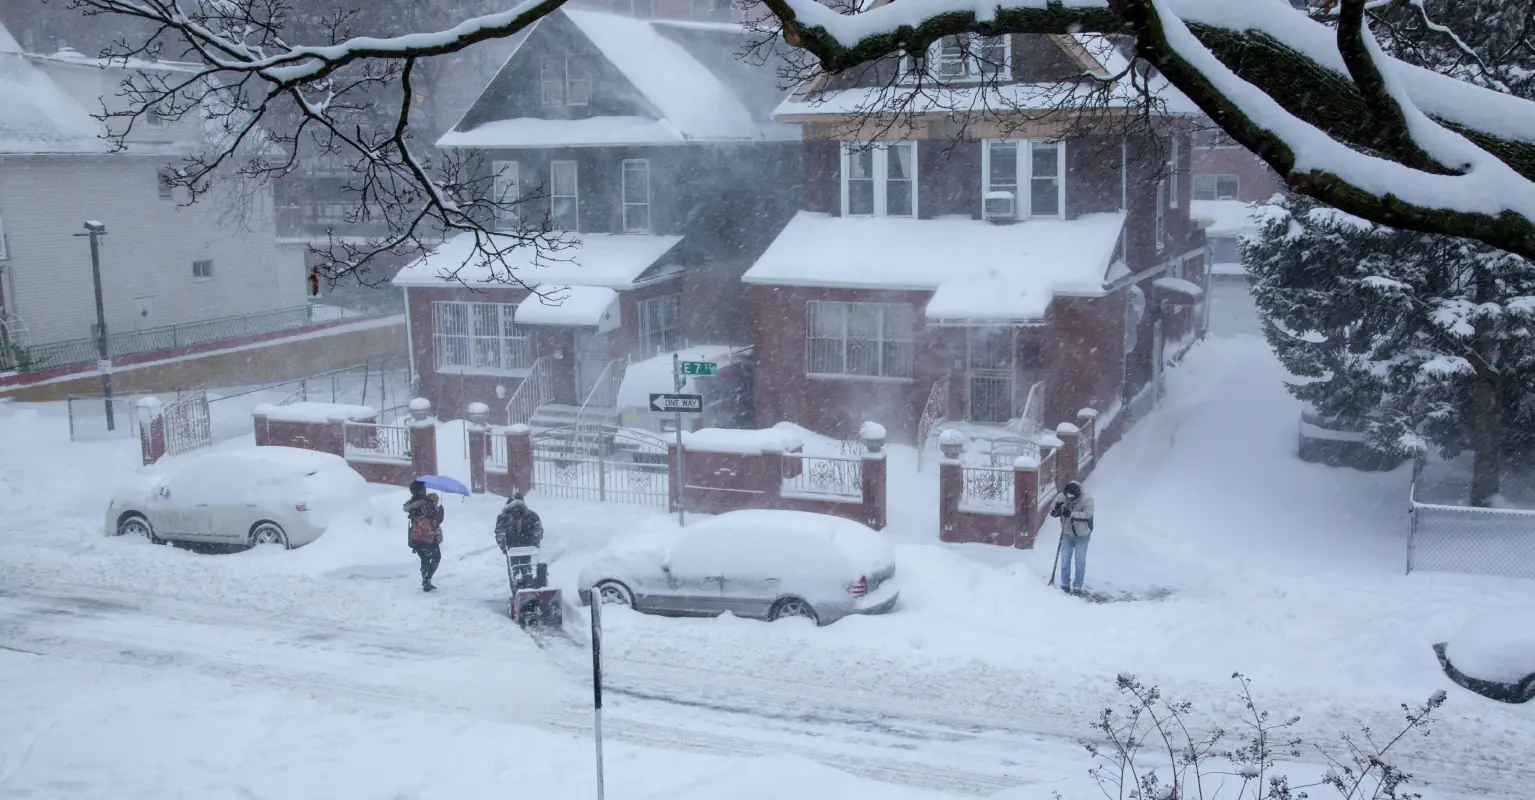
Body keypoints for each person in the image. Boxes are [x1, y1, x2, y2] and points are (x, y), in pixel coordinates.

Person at [1050, 480, 1095, 595]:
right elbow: (1053, 511)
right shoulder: (1062, 497)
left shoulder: (1088, 498)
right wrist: (1057, 510)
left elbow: (1088, 514)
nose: (1070, 500)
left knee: (1079, 561)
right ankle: (1065, 584)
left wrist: (1071, 514)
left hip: (1082, 535)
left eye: (1072, 498)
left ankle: (1077, 586)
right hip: (1067, 533)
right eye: (1068, 497)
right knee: (1065, 560)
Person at [404, 480, 444, 592]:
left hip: (416, 537)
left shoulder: (411, 504)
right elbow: (436, 520)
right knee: (436, 557)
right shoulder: (427, 503)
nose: (425, 491)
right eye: (422, 489)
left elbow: (408, 510)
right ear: (417, 491)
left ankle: (425, 580)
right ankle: (427, 579)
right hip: (428, 536)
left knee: (424, 559)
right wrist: (440, 510)